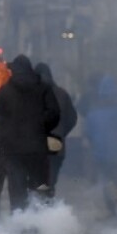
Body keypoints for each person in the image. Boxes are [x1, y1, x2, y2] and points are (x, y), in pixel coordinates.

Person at [0, 55, 60, 212]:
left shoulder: (4, 92)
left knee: (17, 190)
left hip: (13, 150)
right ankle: (37, 225)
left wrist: (7, 137)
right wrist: (41, 127)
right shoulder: (43, 88)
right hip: (38, 148)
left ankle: (19, 225)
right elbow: (54, 114)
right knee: (38, 188)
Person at [83, 75, 117, 216]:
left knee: (106, 181)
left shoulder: (92, 114)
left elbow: (88, 135)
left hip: (101, 155)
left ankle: (112, 209)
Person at [35, 62, 78, 196]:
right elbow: (72, 118)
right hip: (56, 143)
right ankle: (49, 206)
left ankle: (36, 209)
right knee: (50, 180)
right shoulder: (61, 93)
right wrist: (61, 132)